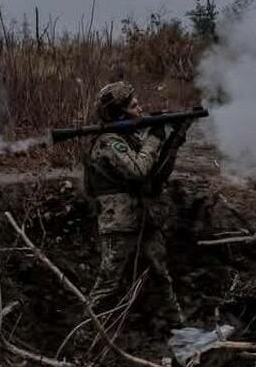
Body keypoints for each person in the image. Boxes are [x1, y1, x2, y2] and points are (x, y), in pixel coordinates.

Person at [82, 80, 191, 327]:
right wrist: (154, 136)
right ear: (119, 113)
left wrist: (173, 137)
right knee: (108, 285)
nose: (140, 109)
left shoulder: (127, 138)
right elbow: (139, 170)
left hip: (143, 218)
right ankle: (84, 337)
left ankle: (178, 328)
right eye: (134, 105)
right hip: (119, 223)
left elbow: (154, 176)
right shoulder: (109, 141)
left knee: (162, 276)